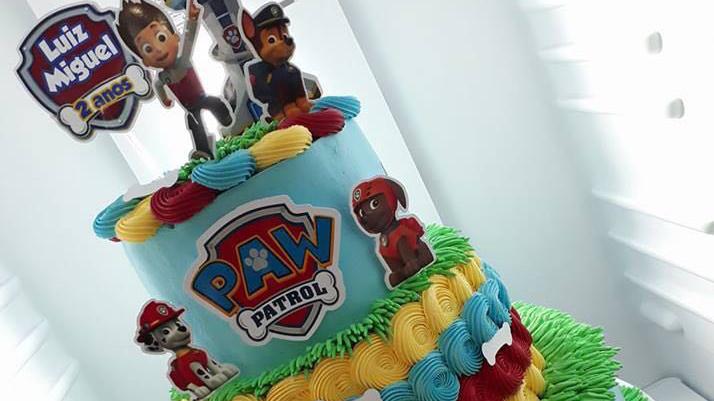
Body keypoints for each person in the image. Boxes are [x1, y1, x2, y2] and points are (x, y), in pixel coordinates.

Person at [116, 0, 232, 159]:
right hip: (189, 107)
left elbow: (189, 37)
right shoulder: (162, 77)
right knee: (194, 124)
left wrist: (192, 19)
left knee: (214, 103)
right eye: (147, 49)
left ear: (175, 36)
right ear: (145, 61)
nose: (158, 49)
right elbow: (158, 86)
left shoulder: (183, 59)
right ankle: (203, 150)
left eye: (161, 38)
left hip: (201, 97)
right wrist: (165, 99)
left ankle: (227, 119)